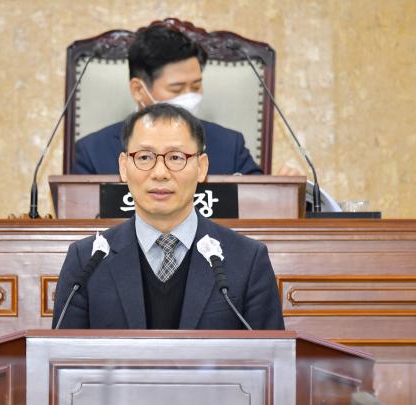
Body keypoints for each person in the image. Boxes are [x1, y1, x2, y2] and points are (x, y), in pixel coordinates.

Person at [53, 103, 284, 330]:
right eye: (144, 157)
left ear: (201, 167)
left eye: (175, 157)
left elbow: (271, 353)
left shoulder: (248, 260)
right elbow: (62, 353)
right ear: (123, 167)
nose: (160, 173)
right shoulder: (86, 261)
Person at [73, 24, 263, 176]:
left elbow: (261, 202)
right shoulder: (93, 152)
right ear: (138, 90)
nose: (190, 97)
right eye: (176, 89)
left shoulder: (230, 145)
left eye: (196, 86)